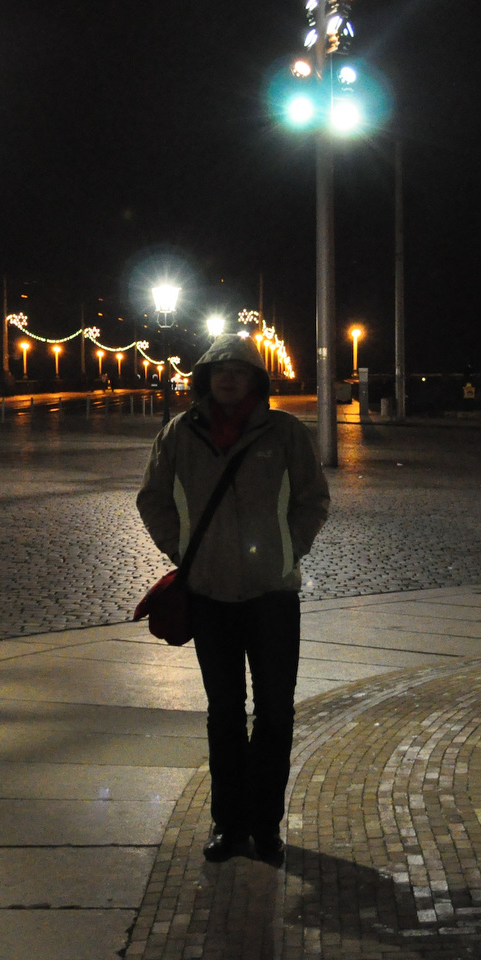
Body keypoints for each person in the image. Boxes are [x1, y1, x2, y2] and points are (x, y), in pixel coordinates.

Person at [136, 334, 330, 864]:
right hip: (210, 593)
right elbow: (152, 496)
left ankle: (266, 824)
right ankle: (229, 823)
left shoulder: (284, 431)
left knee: (274, 711)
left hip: (272, 593)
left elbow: (313, 497)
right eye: (219, 370)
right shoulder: (180, 433)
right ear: (203, 378)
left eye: (238, 370)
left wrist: (289, 549)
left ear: (255, 379)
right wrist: (182, 551)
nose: (228, 378)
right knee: (224, 710)